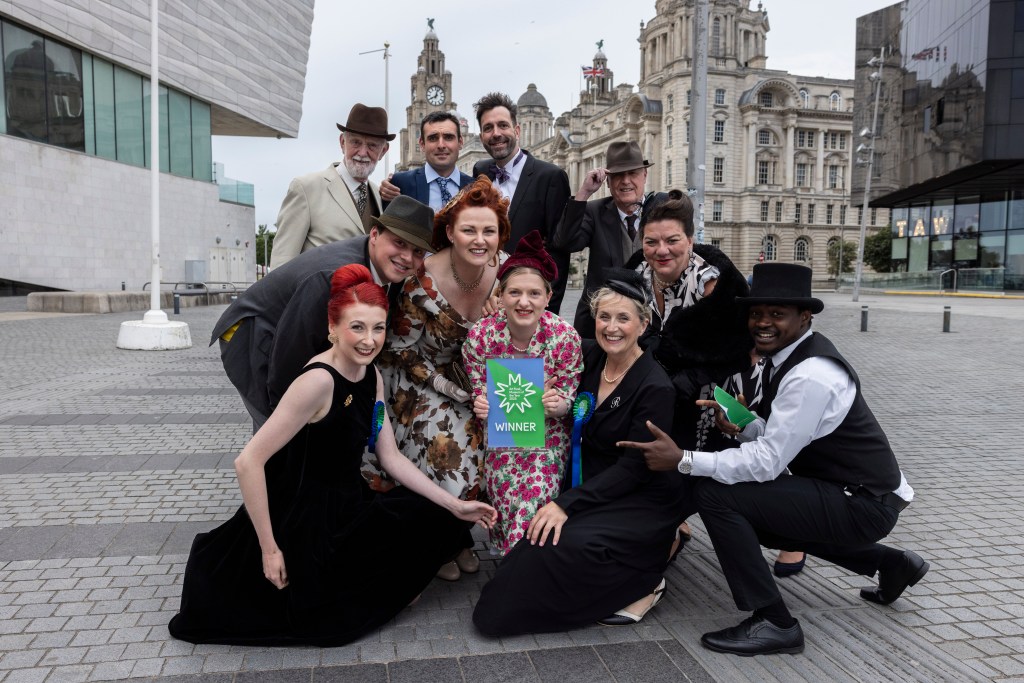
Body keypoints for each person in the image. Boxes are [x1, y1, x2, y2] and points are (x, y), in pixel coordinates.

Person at [168, 264, 496, 647]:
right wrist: (270, 550)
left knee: (437, 515)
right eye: (357, 327)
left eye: (378, 328)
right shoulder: (318, 381)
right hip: (303, 518)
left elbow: (390, 458)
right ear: (333, 327)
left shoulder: (370, 376)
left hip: (349, 504)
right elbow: (248, 462)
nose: (369, 340)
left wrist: (456, 504)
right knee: (330, 620)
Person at [626, 263, 928, 656]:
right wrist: (743, 423)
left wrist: (683, 458)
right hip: (855, 492)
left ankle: (775, 621)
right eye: (756, 313)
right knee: (760, 517)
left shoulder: (809, 375)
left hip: (864, 503)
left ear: (805, 317)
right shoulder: (790, 356)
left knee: (716, 496)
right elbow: (786, 437)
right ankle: (892, 564)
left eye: (776, 314)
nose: (763, 323)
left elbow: (768, 462)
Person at [473, 270, 694, 635]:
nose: (612, 327)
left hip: (637, 496)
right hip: (591, 487)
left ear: (643, 324)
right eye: (604, 317)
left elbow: (634, 469)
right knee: (535, 543)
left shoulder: (655, 386)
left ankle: (647, 580)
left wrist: (564, 504)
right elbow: (531, 340)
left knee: (559, 547)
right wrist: (500, 314)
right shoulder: (589, 356)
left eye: (623, 318)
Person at [373, 176, 511, 580]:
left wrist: (503, 320)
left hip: (475, 375)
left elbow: (528, 328)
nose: (480, 240)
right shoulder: (421, 280)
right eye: (469, 230)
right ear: (450, 232)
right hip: (417, 376)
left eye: (489, 231)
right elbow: (400, 350)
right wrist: (446, 387)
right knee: (451, 447)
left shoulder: (506, 273)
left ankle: (468, 536)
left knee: (511, 439)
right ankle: (442, 543)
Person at [210, 196, 434, 427]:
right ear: (375, 235)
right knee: (279, 424)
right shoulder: (332, 277)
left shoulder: (389, 268)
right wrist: (292, 423)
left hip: (293, 333)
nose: (407, 257)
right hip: (254, 334)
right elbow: (290, 355)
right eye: (399, 243)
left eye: (418, 251)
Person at [463, 230, 582, 556]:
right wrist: (481, 402)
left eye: (534, 293)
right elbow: (478, 386)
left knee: (532, 501)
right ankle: (515, 561)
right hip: (501, 435)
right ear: (501, 295)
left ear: (548, 296)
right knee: (506, 498)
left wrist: (559, 405)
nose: (524, 301)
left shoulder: (564, 337)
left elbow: (569, 394)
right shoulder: (481, 336)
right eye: (514, 292)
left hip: (546, 438)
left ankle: (520, 566)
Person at [624, 191, 751, 453]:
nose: (662, 250)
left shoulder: (709, 283)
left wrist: (689, 379)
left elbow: (740, 349)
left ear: (690, 241)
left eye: (672, 240)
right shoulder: (637, 275)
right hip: (652, 390)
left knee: (695, 461)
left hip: (709, 395)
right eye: (651, 242)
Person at [551, 141, 669, 337]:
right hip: (600, 325)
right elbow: (565, 242)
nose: (626, 181)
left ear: (644, 175)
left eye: (632, 173)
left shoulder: (662, 211)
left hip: (652, 326)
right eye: (618, 175)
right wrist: (584, 193)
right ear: (607, 181)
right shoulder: (594, 211)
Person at [471, 92, 570, 313]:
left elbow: (559, 252)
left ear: (517, 130)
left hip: (528, 304)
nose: (496, 133)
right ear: (482, 136)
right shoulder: (480, 171)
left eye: (503, 125)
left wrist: (546, 311)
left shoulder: (551, 176)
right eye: (488, 128)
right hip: (483, 301)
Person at [270, 104, 393, 268]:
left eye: (372, 145)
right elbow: (282, 263)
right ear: (342, 142)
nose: (363, 153)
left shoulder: (380, 197)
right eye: (356, 142)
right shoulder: (305, 188)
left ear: (383, 151)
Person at [379, 111, 474, 210]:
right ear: (422, 144)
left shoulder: (475, 187)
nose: (441, 145)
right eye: (433, 138)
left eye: (448, 137)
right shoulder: (399, 184)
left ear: (460, 142)